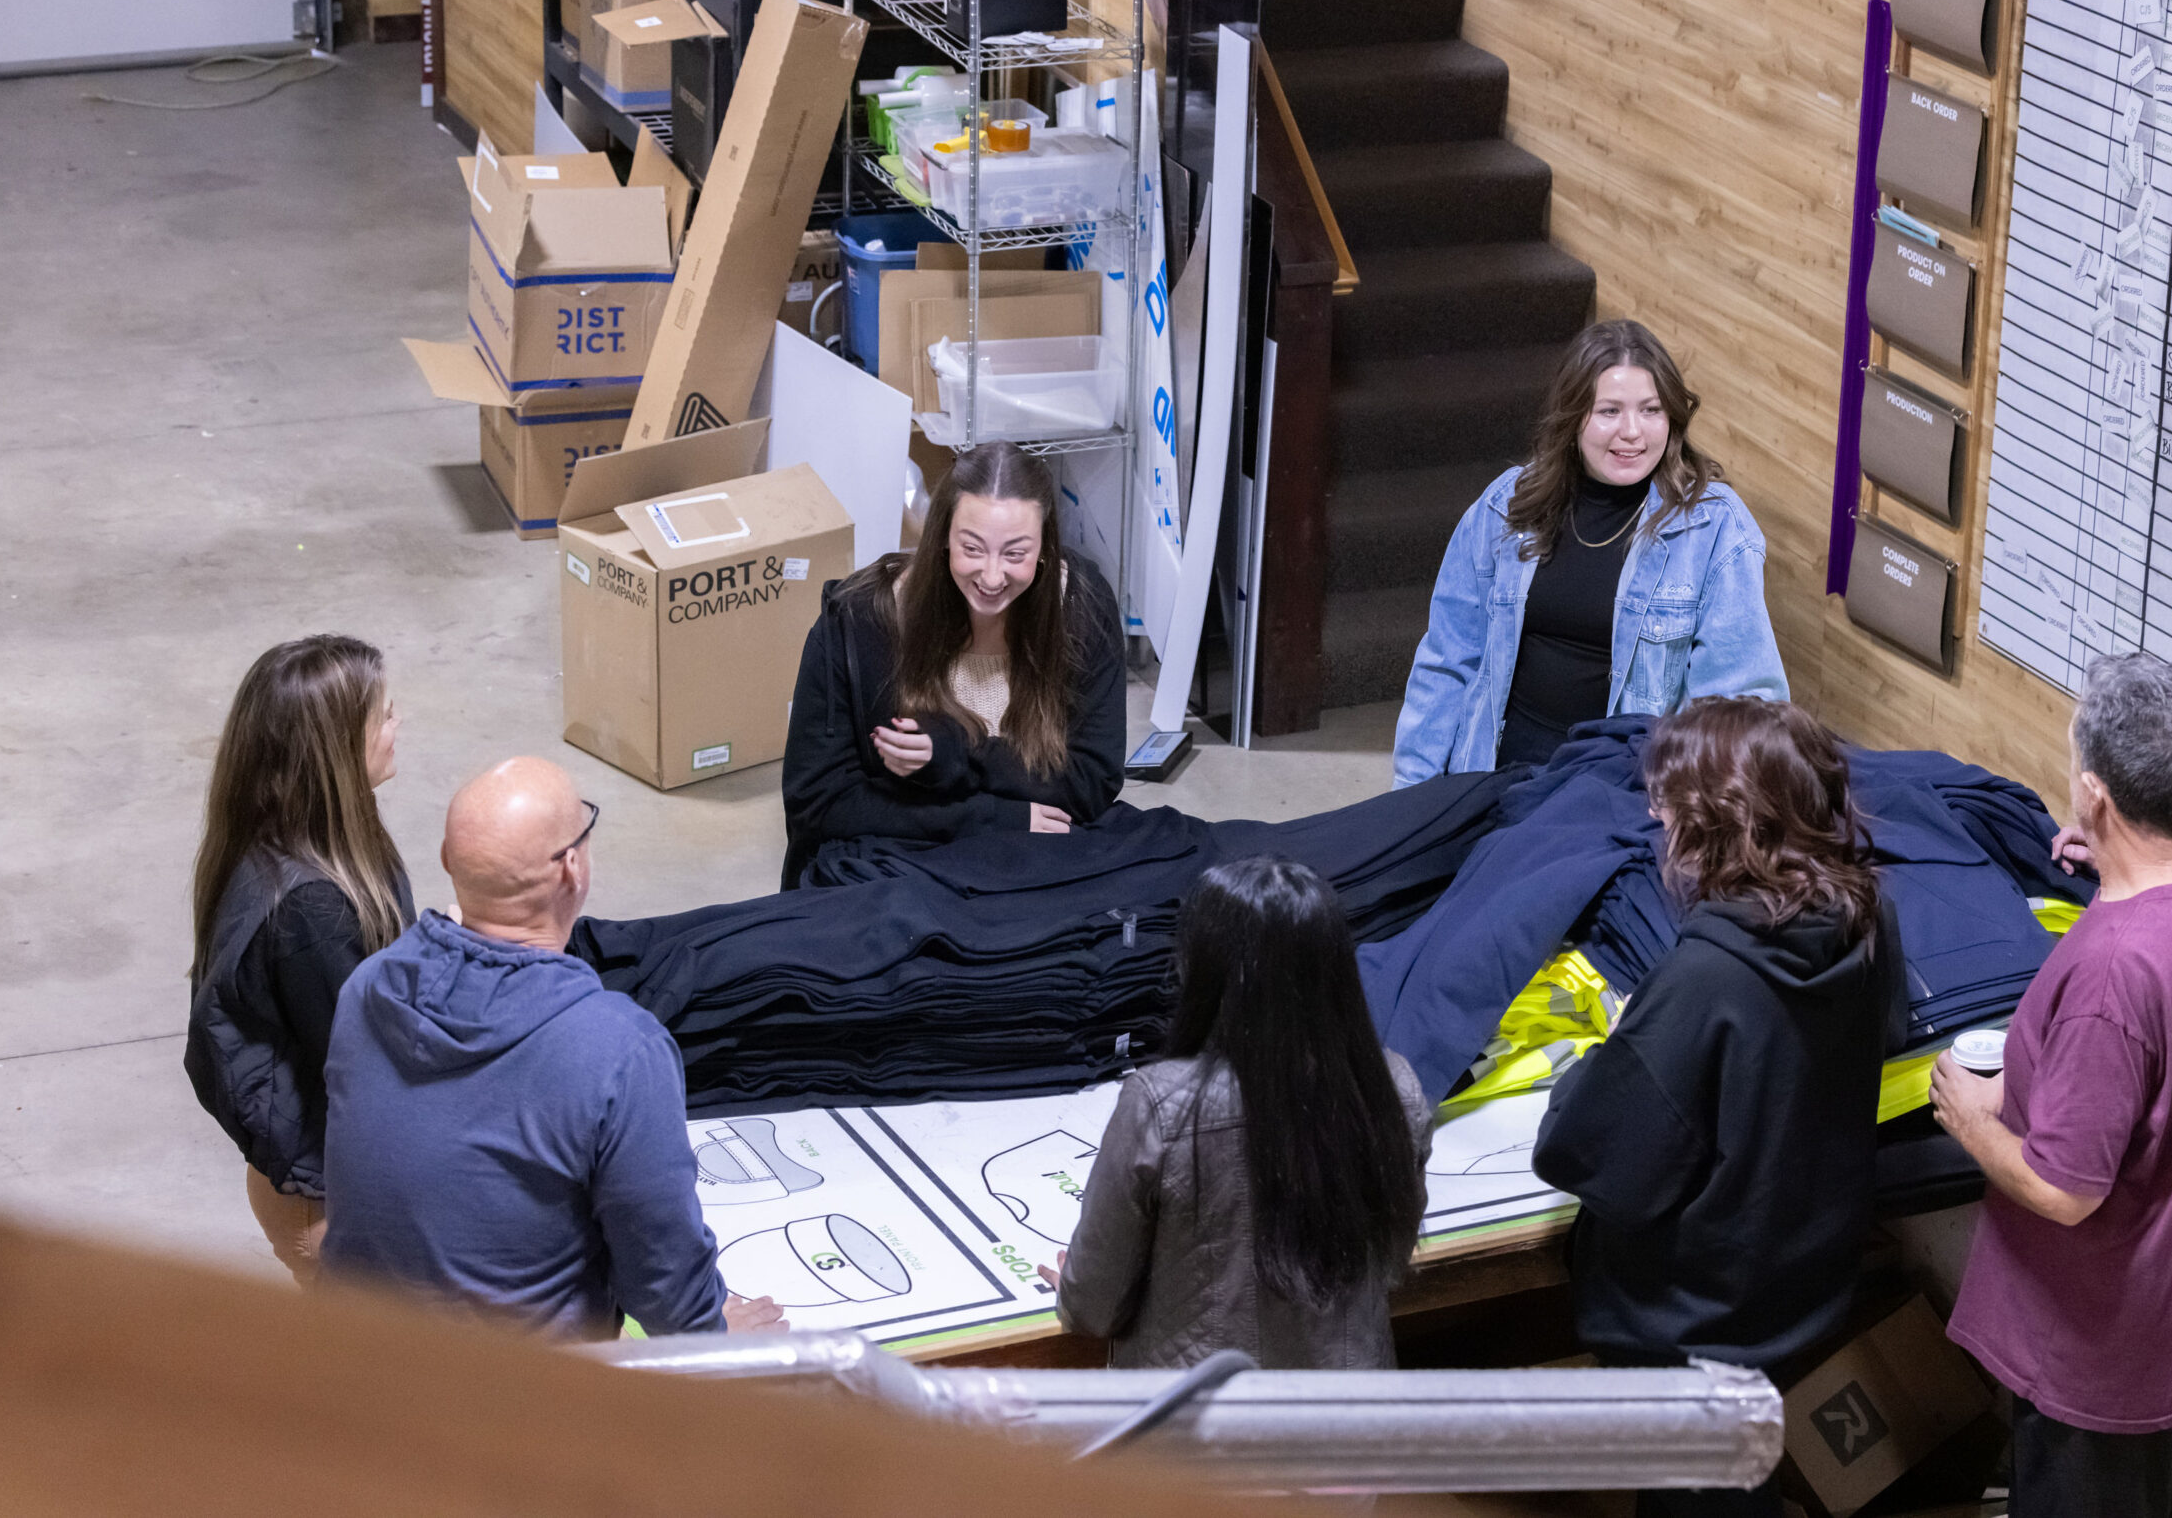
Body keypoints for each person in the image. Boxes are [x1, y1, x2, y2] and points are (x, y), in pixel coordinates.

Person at [1533, 698, 1903, 1518]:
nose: (1659, 823)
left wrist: (1604, 1056)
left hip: (1693, 1318)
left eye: (1667, 809)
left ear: (1713, 825)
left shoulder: (1704, 976)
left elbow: (1590, 1154)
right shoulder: (1867, 913)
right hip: (1802, 1278)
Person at [1937, 653, 2172, 1518]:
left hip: (2105, 1372)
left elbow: (2063, 1186)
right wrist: (2111, 866)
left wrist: (1973, 1118)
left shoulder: (2113, 975)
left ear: (2094, 792)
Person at [321, 756, 780, 1339]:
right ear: (572, 868)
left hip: (350, 1368)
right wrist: (717, 1335)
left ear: (445, 862)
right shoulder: (617, 1050)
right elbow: (666, 1287)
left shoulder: (369, 986)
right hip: (518, 1405)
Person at [1054, 856, 1432, 1368]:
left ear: (1203, 966)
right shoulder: (1396, 1086)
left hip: (1197, 1422)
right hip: (1349, 1415)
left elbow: (1092, 1309)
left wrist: (1073, 1288)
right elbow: (1388, 1260)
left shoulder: (1163, 1103)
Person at [1393, 319, 1789, 785]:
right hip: (1493, 778)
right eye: (1608, 412)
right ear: (1572, 416)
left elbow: (1739, 706)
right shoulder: (1505, 506)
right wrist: (1410, 795)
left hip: (1620, 794)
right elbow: (1446, 662)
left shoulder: (1715, 526)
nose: (1632, 433)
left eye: (1650, 410)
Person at [780, 440, 1127, 886]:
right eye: (973, 548)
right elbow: (819, 803)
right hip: (895, 867)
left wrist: (958, 753)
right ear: (942, 535)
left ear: (1045, 547)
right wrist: (991, 816)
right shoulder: (860, 619)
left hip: (1027, 862)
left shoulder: (1080, 607)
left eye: (1016, 554)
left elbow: (1091, 782)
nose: (992, 576)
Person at [186, 635, 411, 1287]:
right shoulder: (311, 911)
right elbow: (375, 1065)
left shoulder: (316, 836)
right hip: (329, 1203)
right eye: (386, 715)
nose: (399, 726)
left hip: (327, 1174)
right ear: (338, 748)